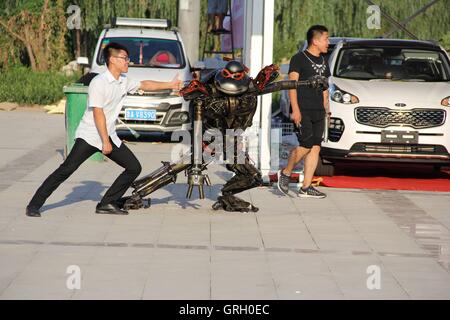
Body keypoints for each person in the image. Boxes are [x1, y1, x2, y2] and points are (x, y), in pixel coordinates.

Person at [25, 42, 182, 217]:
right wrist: (105, 141)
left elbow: (145, 85)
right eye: (125, 58)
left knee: (133, 167)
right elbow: (97, 113)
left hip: (109, 135)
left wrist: (170, 84)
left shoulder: (123, 81)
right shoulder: (98, 83)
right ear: (112, 60)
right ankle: (34, 205)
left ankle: (106, 203)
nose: (127, 62)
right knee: (66, 169)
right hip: (90, 136)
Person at [277, 25, 331, 198]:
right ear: (315, 41)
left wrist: (326, 109)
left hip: (318, 111)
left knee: (315, 148)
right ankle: (285, 172)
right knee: (305, 146)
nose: (328, 43)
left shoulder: (324, 60)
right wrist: (296, 110)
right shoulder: (299, 59)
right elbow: (291, 86)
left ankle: (305, 188)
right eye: (326, 39)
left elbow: (324, 87)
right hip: (304, 109)